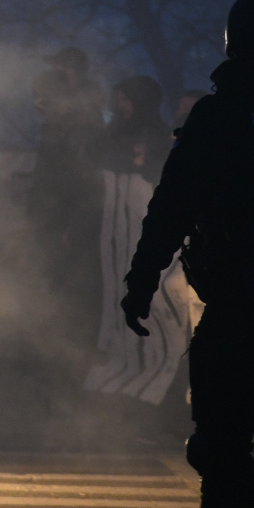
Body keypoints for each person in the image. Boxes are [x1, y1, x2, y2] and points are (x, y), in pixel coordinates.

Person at [121, 0, 254, 508]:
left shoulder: (219, 117)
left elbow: (172, 207)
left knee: (221, 451)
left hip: (238, 313)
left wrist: (141, 282)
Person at [84, 75, 187, 404]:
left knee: (153, 302)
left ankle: (153, 372)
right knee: (116, 292)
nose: (121, 106)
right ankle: (122, 367)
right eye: (119, 99)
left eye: (127, 99)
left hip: (142, 233)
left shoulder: (158, 136)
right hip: (114, 235)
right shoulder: (111, 134)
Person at [28, 47, 107, 371]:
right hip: (57, 214)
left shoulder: (82, 116)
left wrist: (72, 222)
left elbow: (80, 175)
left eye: (60, 68)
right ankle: (62, 351)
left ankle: (77, 353)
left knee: (77, 283)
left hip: (72, 216)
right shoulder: (59, 119)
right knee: (58, 282)